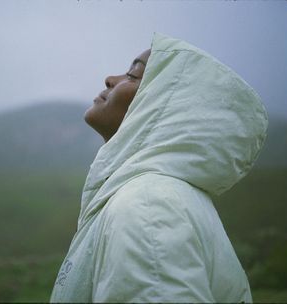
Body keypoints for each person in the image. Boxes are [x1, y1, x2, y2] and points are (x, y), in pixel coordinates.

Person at [50, 32, 268, 303]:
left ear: (165, 105)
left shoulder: (148, 206)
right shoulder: (157, 196)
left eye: (133, 75)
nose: (110, 78)